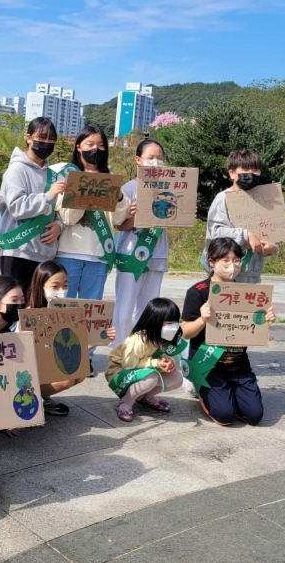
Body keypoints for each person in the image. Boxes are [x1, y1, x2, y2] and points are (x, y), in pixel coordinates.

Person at [54, 124, 130, 376]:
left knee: (91, 312)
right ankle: (60, 356)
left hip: (99, 255)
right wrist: (79, 192)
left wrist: (120, 199)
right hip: (68, 252)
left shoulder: (111, 179)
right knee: (64, 309)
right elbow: (67, 217)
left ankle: (85, 357)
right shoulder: (68, 175)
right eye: (89, 144)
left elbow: (119, 219)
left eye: (100, 145)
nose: (95, 149)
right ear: (79, 147)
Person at [180, 237, 276, 427]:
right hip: (208, 364)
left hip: (238, 365)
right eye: (225, 260)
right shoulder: (198, 291)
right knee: (224, 416)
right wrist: (202, 320)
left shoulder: (246, 293)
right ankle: (200, 390)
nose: (232, 265)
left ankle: (230, 393)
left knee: (254, 416)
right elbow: (186, 332)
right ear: (211, 261)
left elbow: (252, 327)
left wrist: (266, 320)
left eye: (236, 260)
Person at [0, 117, 66, 294]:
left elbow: (58, 210)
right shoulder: (17, 169)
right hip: (18, 251)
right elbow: (17, 208)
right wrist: (49, 195)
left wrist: (59, 225)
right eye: (41, 137)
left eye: (51, 139)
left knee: (37, 308)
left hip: (45, 255)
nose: (46, 143)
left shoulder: (53, 174)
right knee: (15, 305)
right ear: (28, 138)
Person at [113, 139, 170, 346]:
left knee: (149, 307)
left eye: (160, 158)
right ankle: (120, 350)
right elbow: (119, 225)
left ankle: (142, 349)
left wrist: (185, 211)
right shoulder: (129, 188)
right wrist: (137, 217)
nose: (156, 162)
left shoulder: (168, 187)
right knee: (125, 306)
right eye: (150, 158)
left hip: (157, 252)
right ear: (138, 160)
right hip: (131, 254)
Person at [26, 260, 92, 416]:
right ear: (40, 287)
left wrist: (95, 341)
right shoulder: (29, 314)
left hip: (50, 361)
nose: (61, 291)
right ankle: (30, 398)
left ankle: (43, 397)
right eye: (55, 286)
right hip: (31, 368)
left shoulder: (67, 313)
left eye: (65, 285)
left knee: (80, 373)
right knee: (65, 380)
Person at [105, 298, 185, 422]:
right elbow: (129, 364)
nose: (174, 327)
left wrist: (169, 362)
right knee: (151, 378)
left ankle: (146, 397)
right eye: (169, 323)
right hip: (119, 371)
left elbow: (167, 354)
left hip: (145, 370)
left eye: (175, 322)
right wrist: (156, 363)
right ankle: (126, 402)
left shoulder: (164, 337)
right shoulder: (139, 339)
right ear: (155, 321)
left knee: (177, 378)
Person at [205, 149, 278, 284]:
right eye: (245, 170)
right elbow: (215, 232)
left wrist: (272, 248)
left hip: (253, 273)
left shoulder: (262, 200)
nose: (251, 174)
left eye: (255, 170)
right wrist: (246, 234)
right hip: (226, 273)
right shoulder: (223, 198)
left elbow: (271, 231)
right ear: (232, 173)